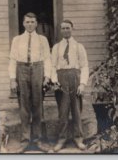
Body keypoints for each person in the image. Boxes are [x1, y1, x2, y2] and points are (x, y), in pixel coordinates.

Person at [8, 12, 51, 152]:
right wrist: (12, 79)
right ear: (23, 23)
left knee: (37, 105)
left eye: (32, 22)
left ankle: (37, 140)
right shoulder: (17, 40)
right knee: (24, 106)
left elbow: (47, 59)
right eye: (27, 22)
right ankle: (25, 140)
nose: (30, 24)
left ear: (36, 23)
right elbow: (13, 60)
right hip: (22, 70)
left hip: (38, 69)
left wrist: (47, 77)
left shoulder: (43, 39)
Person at [51, 20, 89, 152]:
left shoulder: (79, 47)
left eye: (68, 28)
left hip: (75, 78)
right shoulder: (56, 47)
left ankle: (78, 138)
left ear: (72, 29)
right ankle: (62, 139)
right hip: (61, 79)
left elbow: (84, 66)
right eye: (63, 28)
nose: (65, 30)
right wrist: (55, 81)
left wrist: (83, 84)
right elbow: (53, 66)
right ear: (60, 30)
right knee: (63, 111)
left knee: (76, 111)